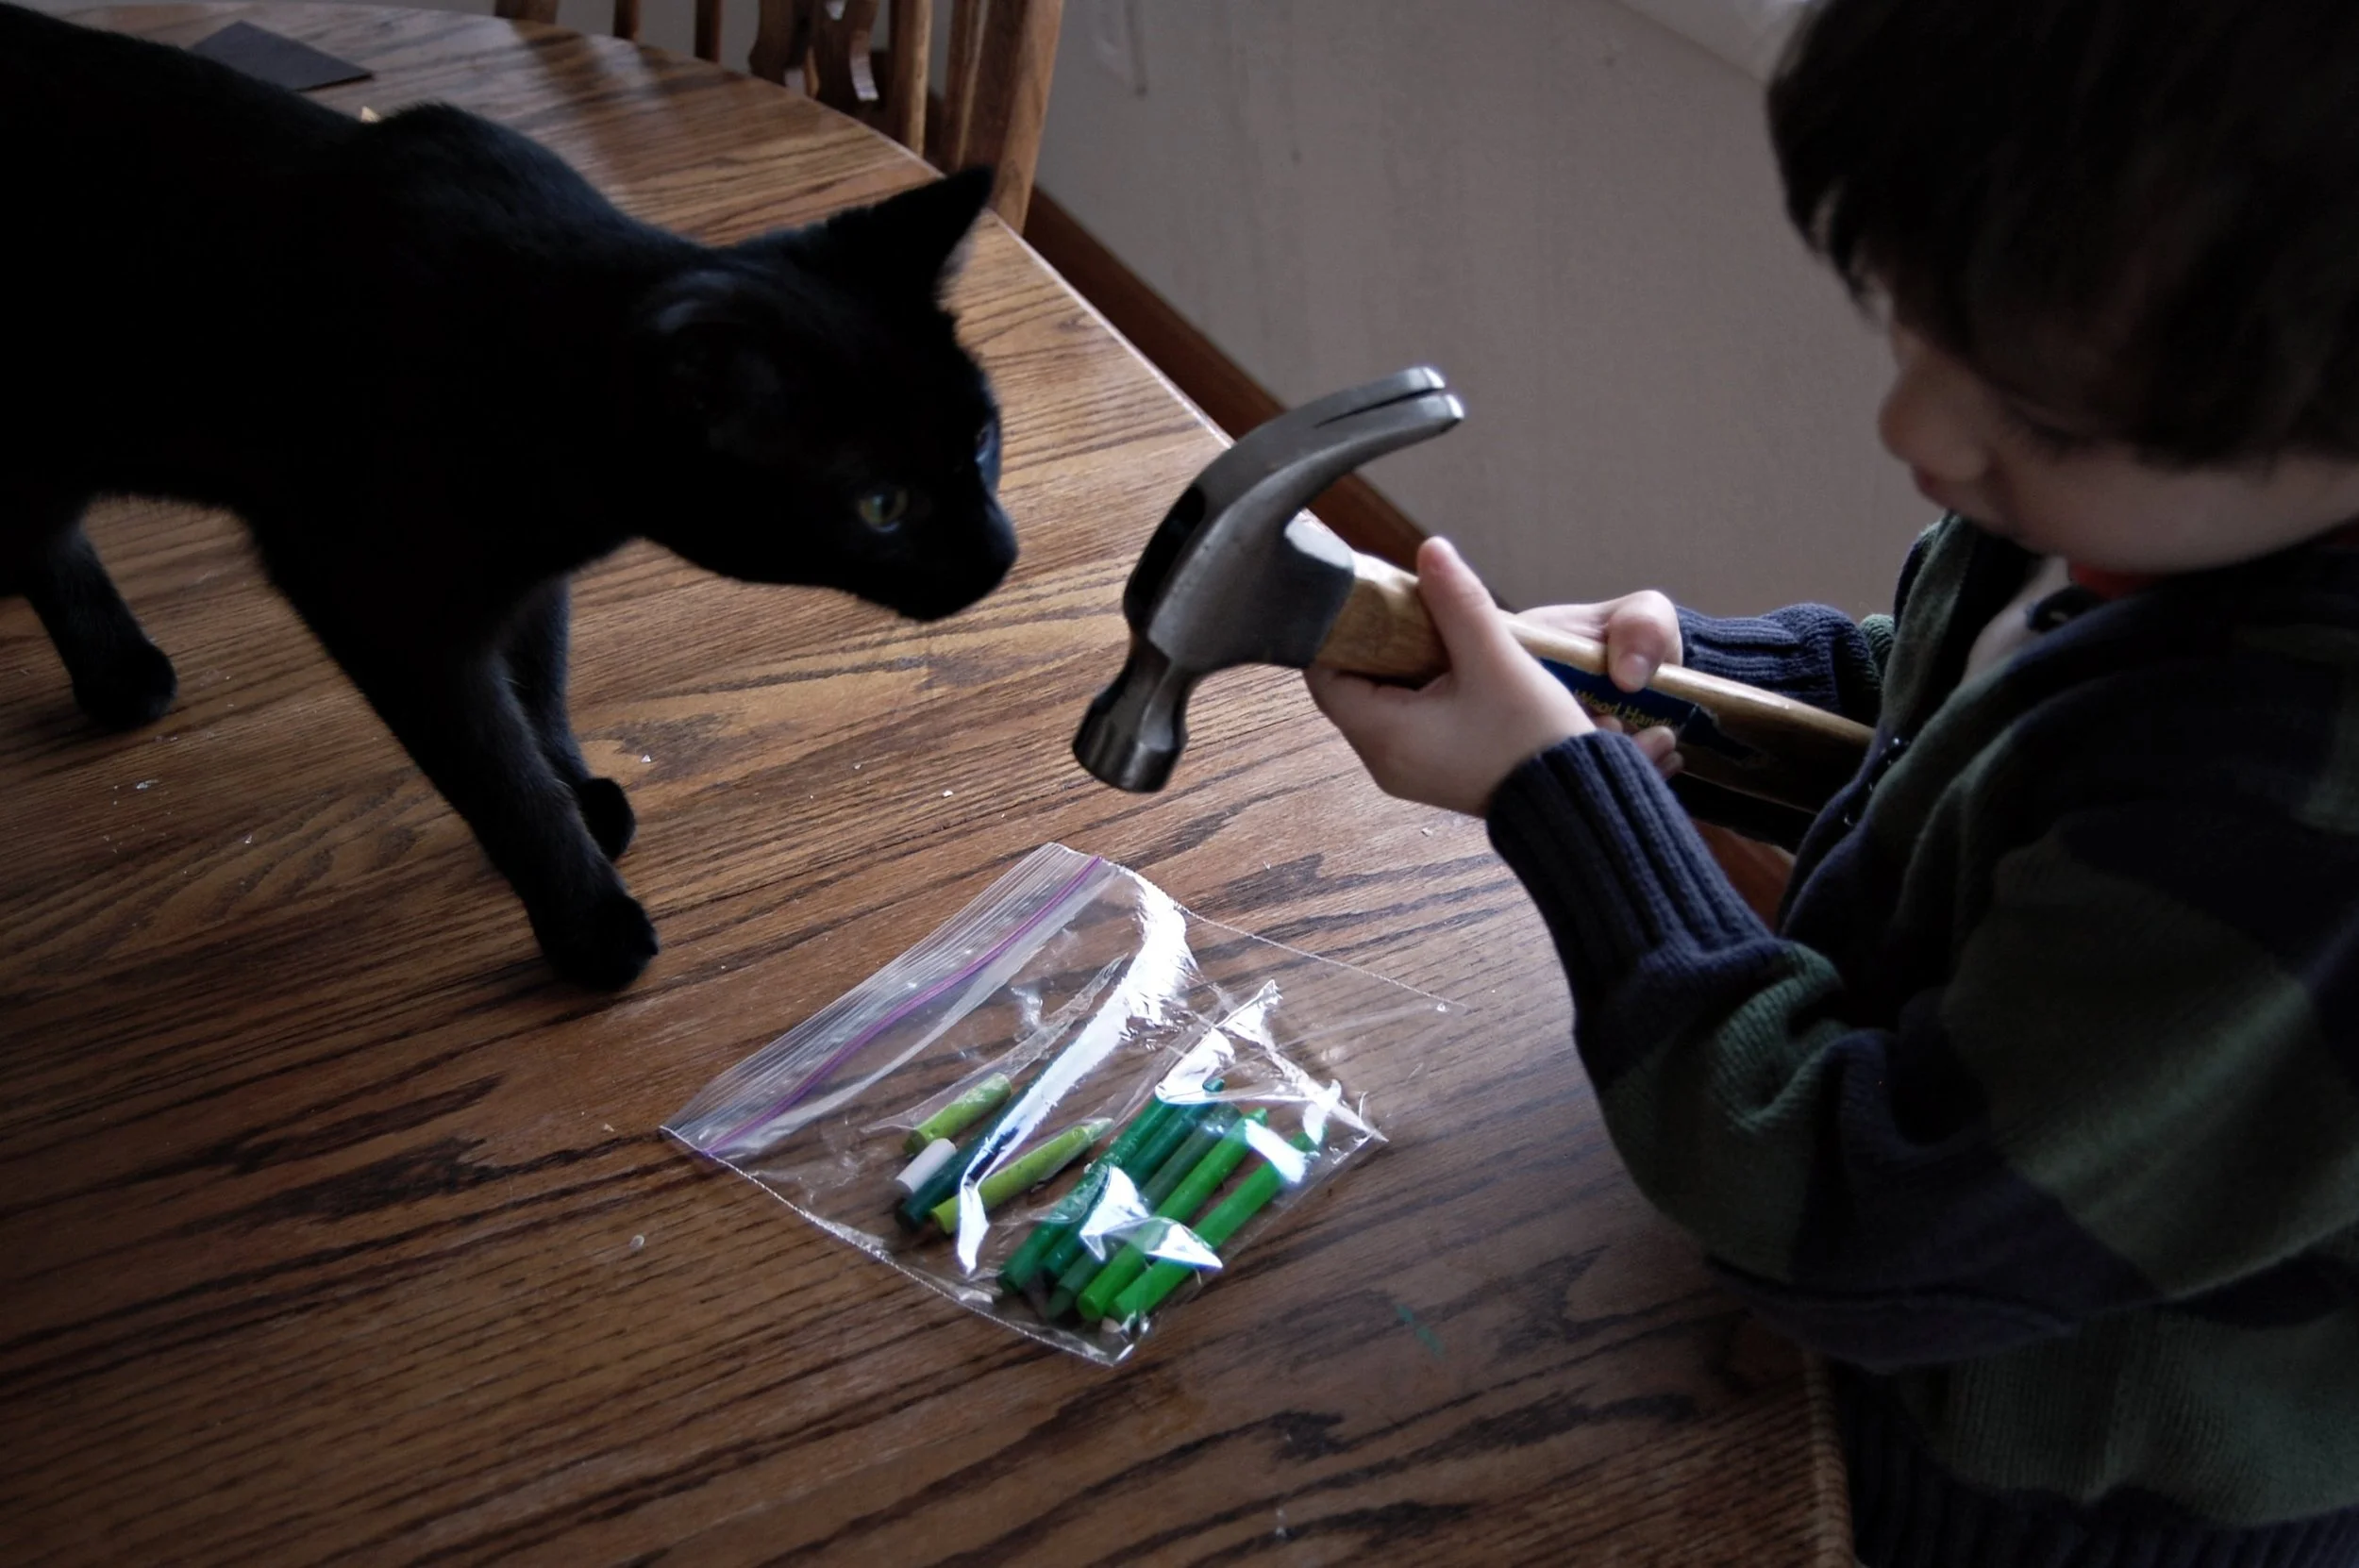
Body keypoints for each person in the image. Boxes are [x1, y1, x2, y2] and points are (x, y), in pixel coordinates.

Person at [1306, 2, 2359, 1564]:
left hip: (2060, 1487)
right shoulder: (2131, 518)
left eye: (2038, 413)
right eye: (1922, 322)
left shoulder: (2288, 824)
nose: (1915, 424)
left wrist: (1566, 801)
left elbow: (1869, 1221)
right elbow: (1967, 712)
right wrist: (1707, 683)